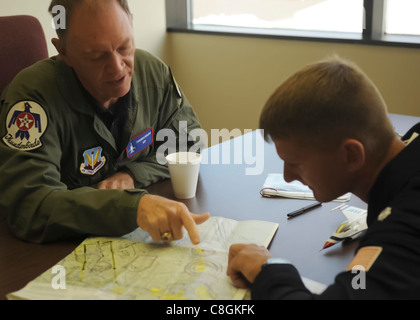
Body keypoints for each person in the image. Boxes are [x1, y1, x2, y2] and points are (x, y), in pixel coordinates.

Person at [0, 0, 209, 244]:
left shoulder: (152, 72)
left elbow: (188, 142)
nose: (117, 68)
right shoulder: (31, 101)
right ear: (63, 51)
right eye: (96, 56)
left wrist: (133, 174)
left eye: (125, 46)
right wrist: (130, 208)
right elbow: (30, 204)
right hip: (54, 254)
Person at [227, 57, 420, 299]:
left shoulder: (403, 225)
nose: (287, 177)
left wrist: (269, 269)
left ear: (351, 155)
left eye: (296, 163)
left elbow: (359, 286)